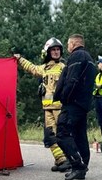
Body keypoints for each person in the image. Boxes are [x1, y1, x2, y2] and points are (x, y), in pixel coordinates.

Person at [14, 38, 71, 172]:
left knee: (63, 135)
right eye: (53, 50)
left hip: (60, 108)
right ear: (48, 52)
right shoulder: (44, 68)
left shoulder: (63, 68)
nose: (56, 52)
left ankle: (69, 159)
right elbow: (32, 68)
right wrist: (20, 59)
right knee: (50, 136)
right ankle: (61, 159)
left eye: (58, 50)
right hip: (47, 109)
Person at [54, 34, 97, 180]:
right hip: (83, 104)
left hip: (73, 103)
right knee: (79, 136)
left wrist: (65, 98)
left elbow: (71, 81)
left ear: (73, 43)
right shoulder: (89, 59)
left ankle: (77, 165)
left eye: (68, 44)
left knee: (61, 133)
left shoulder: (77, 56)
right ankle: (82, 167)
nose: (67, 47)